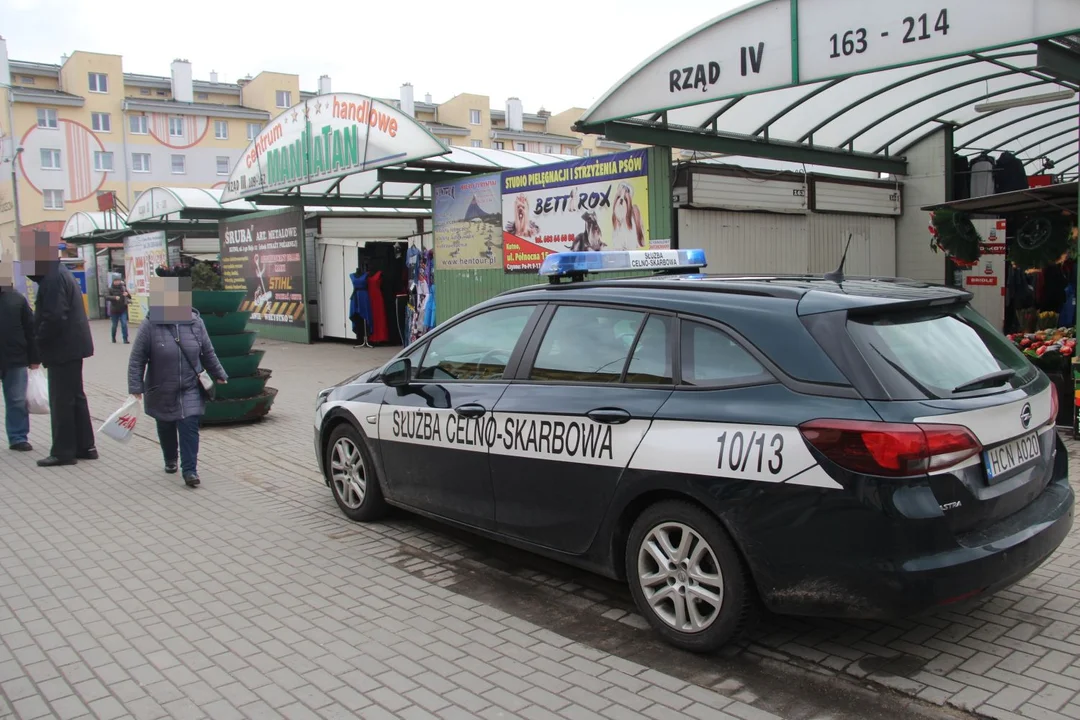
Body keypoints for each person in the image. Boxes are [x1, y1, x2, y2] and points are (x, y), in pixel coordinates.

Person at [127, 275, 227, 487]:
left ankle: (190, 470)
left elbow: (207, 352)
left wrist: (219, 373)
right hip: (161, 387)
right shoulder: (150, 325)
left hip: (190, 386)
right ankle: (170, 457)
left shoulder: (195, 323)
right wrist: (136, 387)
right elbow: (137, 359)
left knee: (189, 424)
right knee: (165, 424)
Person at [20, 232, 96, 467]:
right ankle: (85, 446)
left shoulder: (52, 279)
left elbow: (54, 316)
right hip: (73, 346)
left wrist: (39, 341)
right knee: (75, 397)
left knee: (61, 400)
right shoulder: (58, 273)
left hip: (62, 348)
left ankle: (63, 451)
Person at [0, 258, 40, 452]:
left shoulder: (16, 299)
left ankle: (18, 437)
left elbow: (30, 329)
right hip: (13, 356)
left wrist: (34, 358)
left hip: (14, 358)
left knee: (16, 400)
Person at [106, 275, 131, 344]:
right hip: (114, 310)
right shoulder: (110, 289)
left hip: (123, 309)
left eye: (118, 281)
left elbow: (130, 297)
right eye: (116, 281)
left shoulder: (123, 288)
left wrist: (127, 294)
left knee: (124, 324)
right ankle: (113, 337)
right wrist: (114, 297)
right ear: (113, 282)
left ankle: (125, 339)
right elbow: (107, 297)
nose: (117, 282)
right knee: (114, 325)